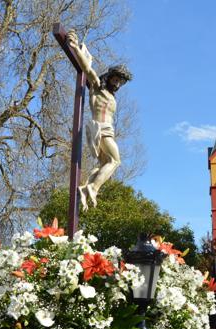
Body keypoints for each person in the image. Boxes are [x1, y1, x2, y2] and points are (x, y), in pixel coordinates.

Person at [67, 30, 132, 211]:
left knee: (105, 164)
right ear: (110, 76)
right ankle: (93, 188)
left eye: (121, 82)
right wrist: (75, 47)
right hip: (101, 128)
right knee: (115, 161)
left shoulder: (111, 96)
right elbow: (87, 69)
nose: (118, 84)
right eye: (116, 79)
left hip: (105, 129)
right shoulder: (97, 87)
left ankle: (84, 189)